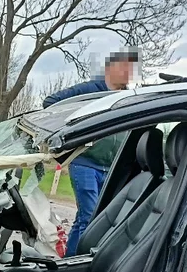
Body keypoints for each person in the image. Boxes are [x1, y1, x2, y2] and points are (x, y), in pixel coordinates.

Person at [43, 50, 138, 256]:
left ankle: (82, 258)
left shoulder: (127, 98)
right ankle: (73, 263)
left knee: (102, 218)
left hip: (112, 167)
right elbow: (50, 103)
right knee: (89, 215)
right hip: (85, 162)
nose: (129, 73)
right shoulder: (90, 91)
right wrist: (74, 134)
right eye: (124, 68)